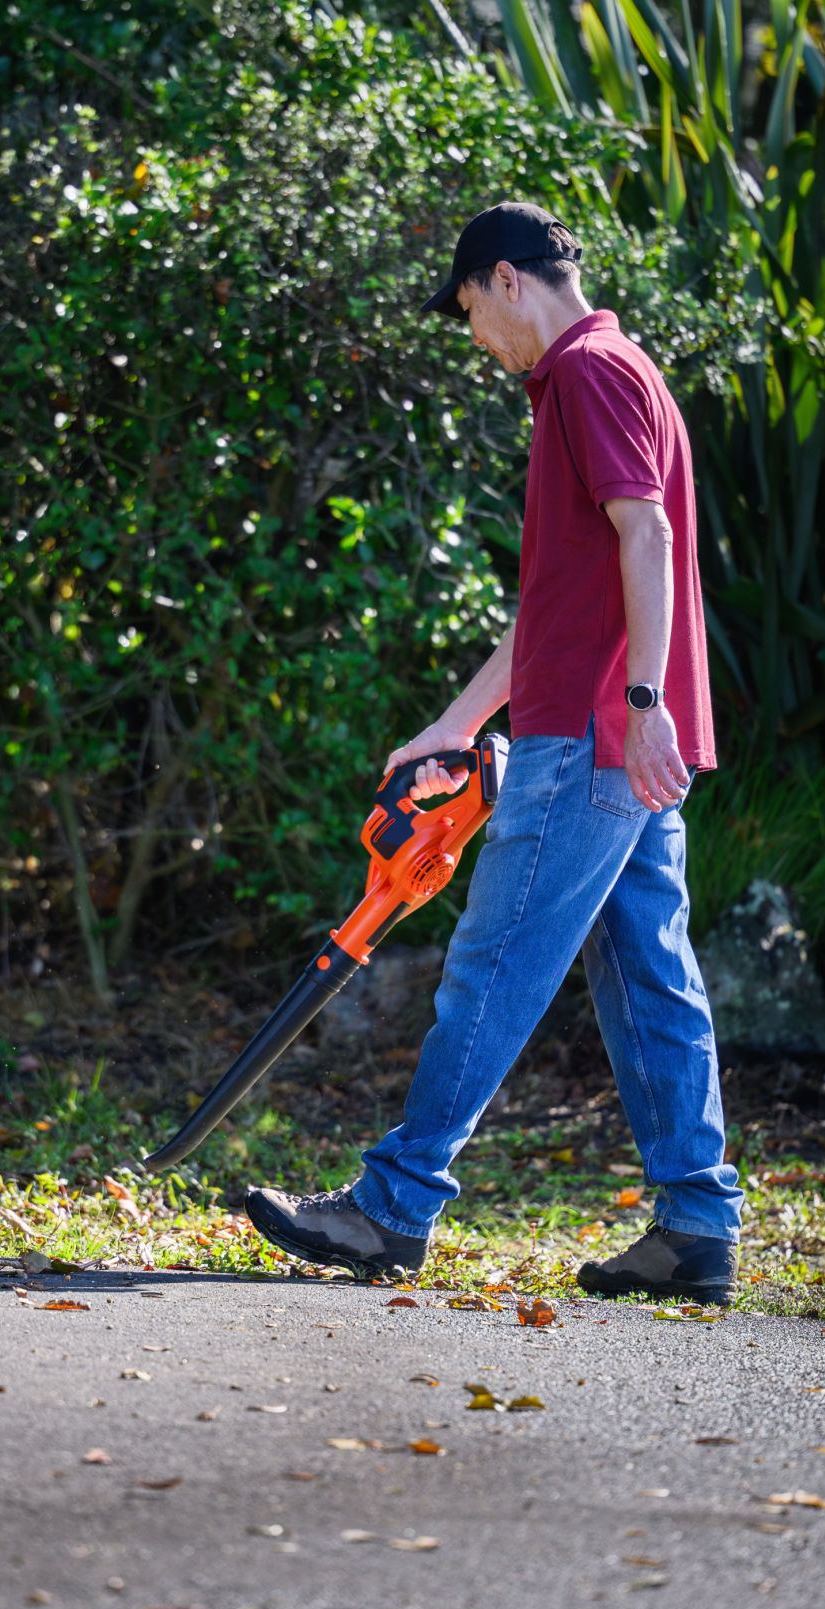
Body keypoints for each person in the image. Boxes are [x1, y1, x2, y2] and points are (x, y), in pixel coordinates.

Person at [243, 202, 741, 1303]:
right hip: (616, 735)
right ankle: (696, 1224)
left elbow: (646, 535)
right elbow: (562, 602)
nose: (476, 337)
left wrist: (645, 699)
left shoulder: (584, 372)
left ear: (507, 280)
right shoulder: (619, 370)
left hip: (595, 737)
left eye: (470, 309)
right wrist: (457, 724)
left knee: (492, 961)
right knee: (649, 972)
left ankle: (391, 1206)